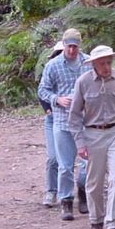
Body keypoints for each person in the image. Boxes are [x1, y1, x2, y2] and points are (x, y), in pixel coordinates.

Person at [69, 45, 115, 229]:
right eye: (102, 63)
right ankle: (96, 220)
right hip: (93, 134)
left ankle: (113, 223)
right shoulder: (83, 82)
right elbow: (74, 115)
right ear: (93, 64)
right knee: (95, 181)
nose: (106, 66)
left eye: (109, 62)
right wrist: (80, 143)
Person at [38, 28, 90, 221]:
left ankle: (83, 192)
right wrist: (57, 99)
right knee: (65, 165)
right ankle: (66, 201)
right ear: (64, 44)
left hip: (86, 120)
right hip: (61, 120)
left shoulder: (89, 63)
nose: (71, 50)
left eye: (75, 46)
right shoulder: (53, 65)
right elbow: (42, 90)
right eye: (69, 46)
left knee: (88, 163)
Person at [39, 41, 65, 208]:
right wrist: (48, 110)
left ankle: (72, 193)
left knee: (69, 161)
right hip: (53, 119)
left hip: (74, 120)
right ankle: (51, 191)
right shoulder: (49, 71)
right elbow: (42, 93)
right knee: (53, 157)